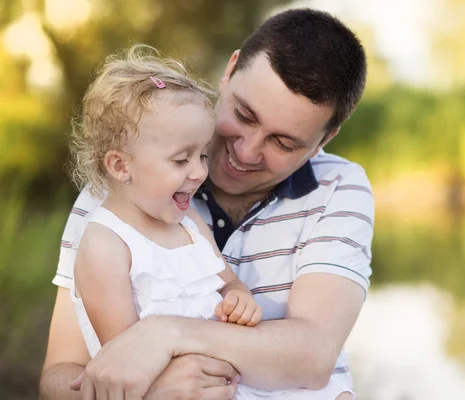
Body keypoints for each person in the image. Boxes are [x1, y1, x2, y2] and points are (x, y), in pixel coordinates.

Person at [40, 8, 372, 400]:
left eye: (283, 143)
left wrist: (164, 335)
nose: (246, 153)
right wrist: (150, 390)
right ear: (230, 71)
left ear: (324, 139)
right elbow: (59, 376)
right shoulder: (117, 194)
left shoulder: (338, 187)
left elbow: (313, 357)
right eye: (244, 115)